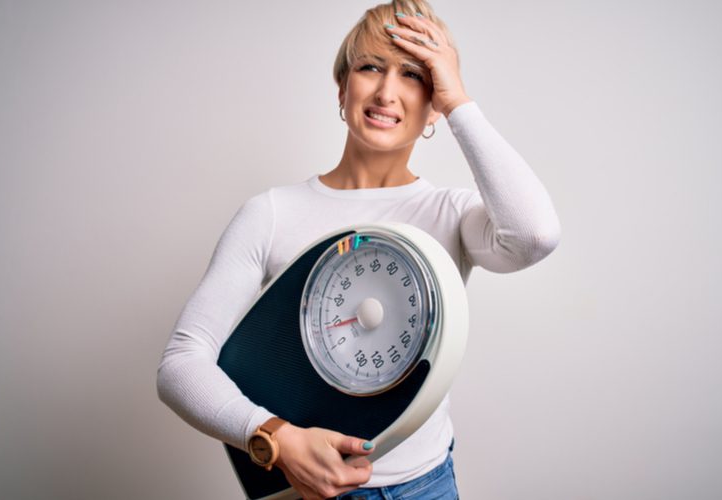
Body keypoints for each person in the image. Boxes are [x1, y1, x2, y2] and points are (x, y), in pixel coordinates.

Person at [157, 0, 561, 498]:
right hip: (302, 490)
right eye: (370, 67)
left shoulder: (452, 215)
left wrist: (459, 102)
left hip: (426, 487)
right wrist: (274, 440)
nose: (387, 92)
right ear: (343, 87)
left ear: (433, 101)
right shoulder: (272, 213)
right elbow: (181, 364)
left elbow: (535, 236)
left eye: (414, 75)